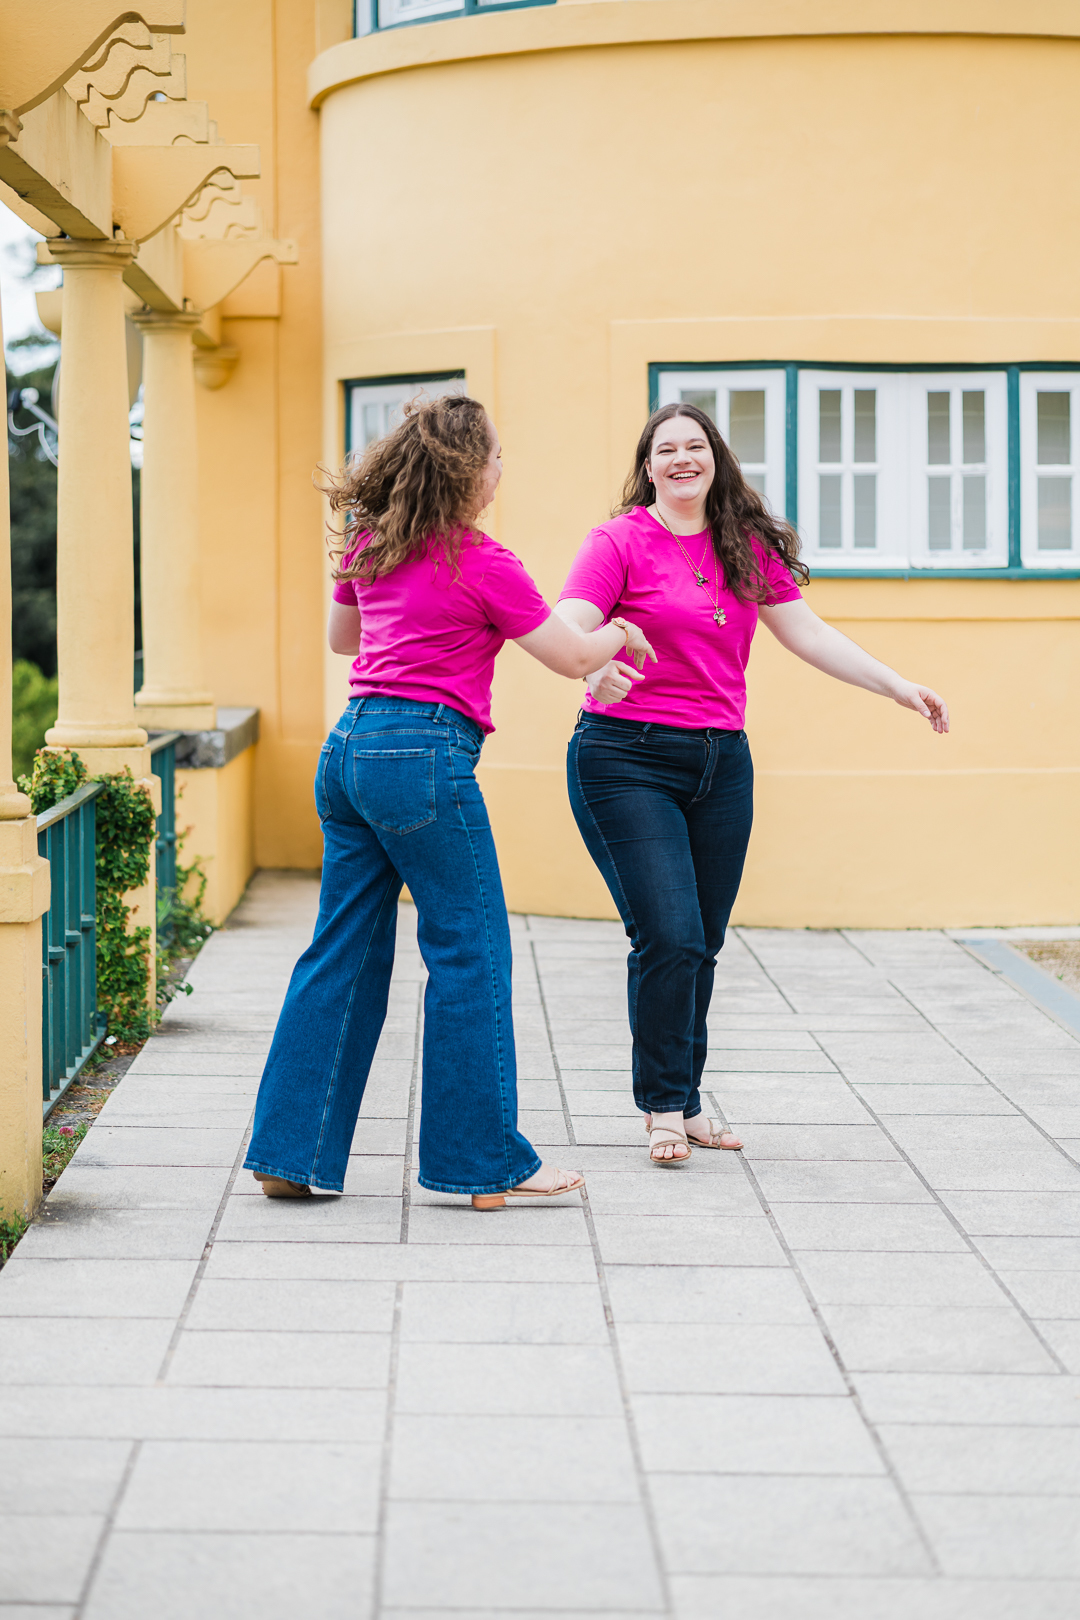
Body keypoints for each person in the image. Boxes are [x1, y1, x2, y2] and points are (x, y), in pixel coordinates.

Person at [244, 395, 653, 1208]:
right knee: (470, 951)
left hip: (349, 749)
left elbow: (344, 640)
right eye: (498, 456)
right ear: (470, 468)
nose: (504, 469)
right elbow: (571, 654)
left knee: (341, 950)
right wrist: (623, 633)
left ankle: (289, 1153)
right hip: (424, 758)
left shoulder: (373, 540)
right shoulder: (483, 559)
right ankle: (483, 1163)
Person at [556, 402, 949, 1166]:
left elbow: (807, 632)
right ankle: (664, 1107)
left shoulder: (744, 544)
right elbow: (568, 619)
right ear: (647, 468)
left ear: (714, 459)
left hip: (720, 762)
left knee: (701, 940)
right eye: (663, 449)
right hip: (624, 756)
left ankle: (687, 1099)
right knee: (666, 933)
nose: (680, 459)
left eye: (693, 446)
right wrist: (591, 655)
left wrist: (896, 685)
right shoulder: (618, 542)